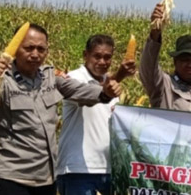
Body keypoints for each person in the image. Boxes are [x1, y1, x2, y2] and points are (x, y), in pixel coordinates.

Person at [0, 24, 122, 195]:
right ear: (15, 48)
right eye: (29, 48)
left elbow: (82, 91)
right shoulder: (3, 79)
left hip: (46, 179)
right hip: (11, 177)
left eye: (41, 49)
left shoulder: (51, 78)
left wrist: (105, 92)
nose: (35, 54)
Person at [56, 34, 136, 195]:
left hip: (107, 169)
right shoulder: (72, 78)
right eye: (97, 56)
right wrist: (119, 76)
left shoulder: (112, 85)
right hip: (77, 169)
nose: (102, 62)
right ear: (85, 55)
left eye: (107, 57)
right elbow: (91, 95)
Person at [139, 3, 191, 113]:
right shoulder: (163, 86)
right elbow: (148, 68)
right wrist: (155, 32)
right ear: (175, 61)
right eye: (185, 60)